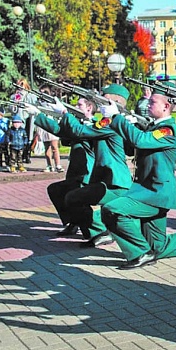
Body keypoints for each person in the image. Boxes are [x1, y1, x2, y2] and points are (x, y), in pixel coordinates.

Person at [100, 86, 176, 270]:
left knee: (112, 210)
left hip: (154, 193)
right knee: (158, 247)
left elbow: (141, 141)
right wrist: (128, 126)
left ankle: (140, 253)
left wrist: (116, 118)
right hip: (147, 191)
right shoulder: (154, 127)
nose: (148, 104)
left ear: (166, 106)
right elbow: (133, 148)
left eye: (152, 102)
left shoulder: (168, 130)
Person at [59, 84, 134, 247]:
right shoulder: (108, 122)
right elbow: (72, 133)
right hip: (105, 178)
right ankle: (101, 231)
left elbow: (83, 132)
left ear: (113, 103)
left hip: (116, 181)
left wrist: (65, 112)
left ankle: (105, 231)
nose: (99, 104)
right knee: (73, 196)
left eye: (102, 100)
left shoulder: (112, 123)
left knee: (75, 197)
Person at [28, 98, 97, 237]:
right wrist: (39, 114)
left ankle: (94, 229)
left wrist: (65, 113)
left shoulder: (96, 125)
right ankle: (73, 222)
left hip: (88, 171)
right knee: (56, 190)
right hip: (75, 169)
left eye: (79, 105)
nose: (75, 106)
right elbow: (61, 132)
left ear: (89, 108)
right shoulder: (77, 123)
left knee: (74, 196)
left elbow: (80, 133)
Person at [10, 78, 38, 164]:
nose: (20, 86)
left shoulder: (30, 95)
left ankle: (27, 154)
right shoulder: (14, 96)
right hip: (20, 119)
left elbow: (35, 104)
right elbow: (12, 109)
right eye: (19, 84)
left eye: (22, 84)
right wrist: (15, 103)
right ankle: (20, 155)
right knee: (20, 137)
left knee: (29, 136)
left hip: (29, 117)